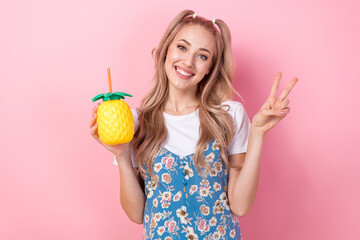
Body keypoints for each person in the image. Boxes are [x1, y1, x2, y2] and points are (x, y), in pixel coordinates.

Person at [90, 9, 297, 240]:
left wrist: (258, 133)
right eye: (182, 47)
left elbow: (240, 206)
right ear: (165, 51)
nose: (188, 62)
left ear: (210, 68)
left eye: (202, 56)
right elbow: (138, 214)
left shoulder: (229, 115)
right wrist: (121, 155)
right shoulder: (136, 122)